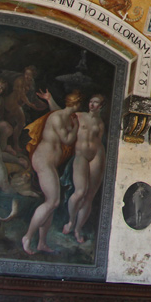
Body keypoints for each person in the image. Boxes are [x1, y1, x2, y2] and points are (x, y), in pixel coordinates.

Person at [21, 90, 81, 255]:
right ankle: (27, 236)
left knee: (51, 202)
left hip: (50, 163)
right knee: (53, 202)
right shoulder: (58, 118)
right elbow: (67, 139)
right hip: (43, 161)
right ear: (76, 104)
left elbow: (56, 110)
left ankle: (41, 243)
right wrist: (75, 128)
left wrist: (50, 99)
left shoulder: (62, 114)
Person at [61, 93, 106, 244]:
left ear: (100, 106)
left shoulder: (100, 123)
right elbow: (60, 114)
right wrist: (49, 100)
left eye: (96, 102)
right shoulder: (78, 116)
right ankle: (71, 221)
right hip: (81, 156)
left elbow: (99, 140)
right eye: (91, 101)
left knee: (89, 196)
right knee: (80, 192)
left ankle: (78, 229)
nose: (92, 104)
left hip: (97, 156)